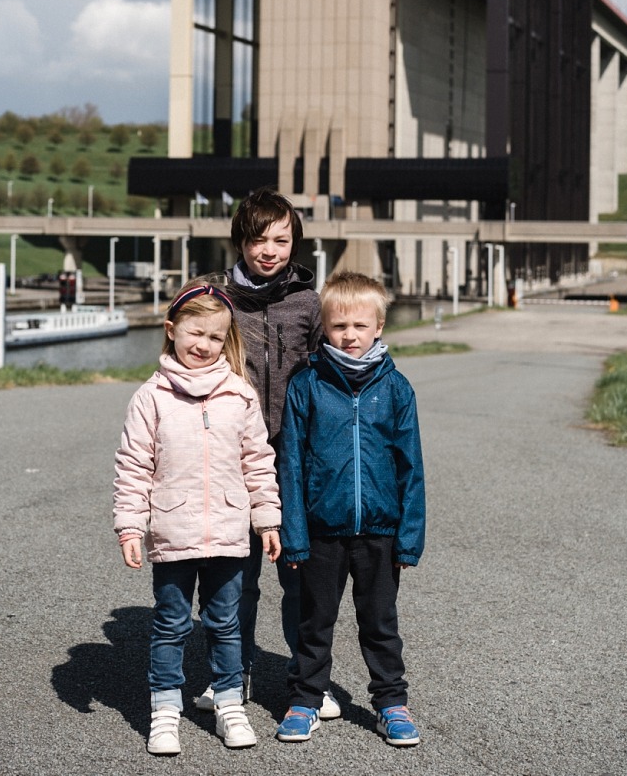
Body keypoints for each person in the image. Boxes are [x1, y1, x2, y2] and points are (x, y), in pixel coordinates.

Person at [113, 284, 282, 755]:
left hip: (230, 532)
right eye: (195, 332)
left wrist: (268, 520)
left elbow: (258, 462)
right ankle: (165, 710)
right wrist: (131, 525)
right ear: (171, 331)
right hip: (172, 532)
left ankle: (230, 703)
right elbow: (133, 465)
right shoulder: (151, 397)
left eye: (215, 336)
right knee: (170, 624)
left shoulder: (239, 394)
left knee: (224, 622)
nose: (203, 344)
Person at [190, 188, 328, 715]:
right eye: (257, 239)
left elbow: (327, 379)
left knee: (298, 576)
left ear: (294, 241)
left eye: (281, 239)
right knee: (234, 579)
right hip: (231, 459)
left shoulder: (308, 304)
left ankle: (305, 680)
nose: (268, 250)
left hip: (294, 460)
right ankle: (233, 674)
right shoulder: (217, 297)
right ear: (240, 241)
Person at [275, 271, 426, 748]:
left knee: (380, 623)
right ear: (325, 326)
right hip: (321, 531)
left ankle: (391, 704)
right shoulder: (307, 386)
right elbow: (291, 465)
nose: (350, 335)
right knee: (314, 621)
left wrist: (409, 535)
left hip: (380, 531)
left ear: (379, 325)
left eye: (360, 326)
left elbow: (411, 467)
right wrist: (294, 534)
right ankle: (305, 700)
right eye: (339, 326)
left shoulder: (396, 388)